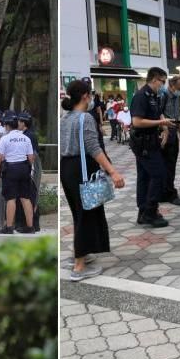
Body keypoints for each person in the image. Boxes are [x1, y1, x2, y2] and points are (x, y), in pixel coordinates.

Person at [60, 80, 125, 281]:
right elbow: (94, 148)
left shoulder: (65, 118)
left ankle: (81, 255)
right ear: (86, 96)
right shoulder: (85, 118)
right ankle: (79, 266)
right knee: (87, 214)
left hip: (67, 169)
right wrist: (113, 172)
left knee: (79, 213)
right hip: (82, 168)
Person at [130, 67, 175, 228]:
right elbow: (137, 121)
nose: (163, 85)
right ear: (154, 79)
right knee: (159, 174)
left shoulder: (155, 95)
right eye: (162, 81)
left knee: (144, 177)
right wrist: (161, 123)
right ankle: (150, 211)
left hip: (151, 141)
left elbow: (158, 113)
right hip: (142, 142)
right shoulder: (141, 96)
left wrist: (164, 128)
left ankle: (143, 212)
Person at [0, 110, 35, 234]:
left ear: (6, 126)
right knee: (25, 198)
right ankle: (30, 227)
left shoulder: (5, 139)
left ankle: (9, 227)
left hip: (10, 169)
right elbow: (31, 158)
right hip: (24, 168)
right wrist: (28, 169)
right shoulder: (25, 138)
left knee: (11, 198)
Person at [160, 76, 180, 206]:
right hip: (164, 133)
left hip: (173, 132)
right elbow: (158, 113)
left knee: (171, 164)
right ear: (171, 85)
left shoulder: (177, 97)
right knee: (167, 164)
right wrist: (164, 130)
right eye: (179, 88)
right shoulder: (163, 95)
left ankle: (166, 191)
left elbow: (178, 117)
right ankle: (169, 193)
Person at [15, 110, 41, 232]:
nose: (17, 123)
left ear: (24, 123)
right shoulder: (27, 134)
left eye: (19, 121)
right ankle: (30, 223)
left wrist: (28, 168)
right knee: (29, 194)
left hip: (32, 167)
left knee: (31, 195)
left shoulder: (28, 135)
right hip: (29, 166)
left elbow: (33, 155)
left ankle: (33, 223)